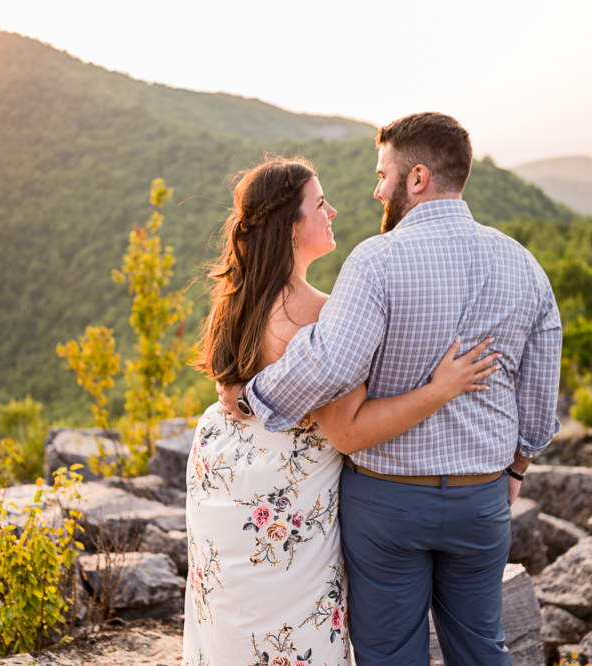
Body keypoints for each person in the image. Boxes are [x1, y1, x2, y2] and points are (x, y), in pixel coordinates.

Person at [218, 113, 562, 666]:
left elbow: (329, 364)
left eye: (384, 175)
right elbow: (541, 405)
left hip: (386, 501)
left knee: (388, 656)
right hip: (481, 498)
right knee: (482, 649)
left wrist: (251, 394)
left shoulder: (376, 261)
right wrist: (516, 470)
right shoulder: (525, 265)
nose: (377, 189)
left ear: (418, 177)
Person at [184, 156, 501, 666]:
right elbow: (349, 430)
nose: (332, 210)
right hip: (287, 493)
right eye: (319, 203)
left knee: (233, 620)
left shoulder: (234, 298)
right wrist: (442, 388)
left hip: (221, 471)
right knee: (296, 631)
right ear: (291, 225)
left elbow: (233, 389)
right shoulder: (324, 314)